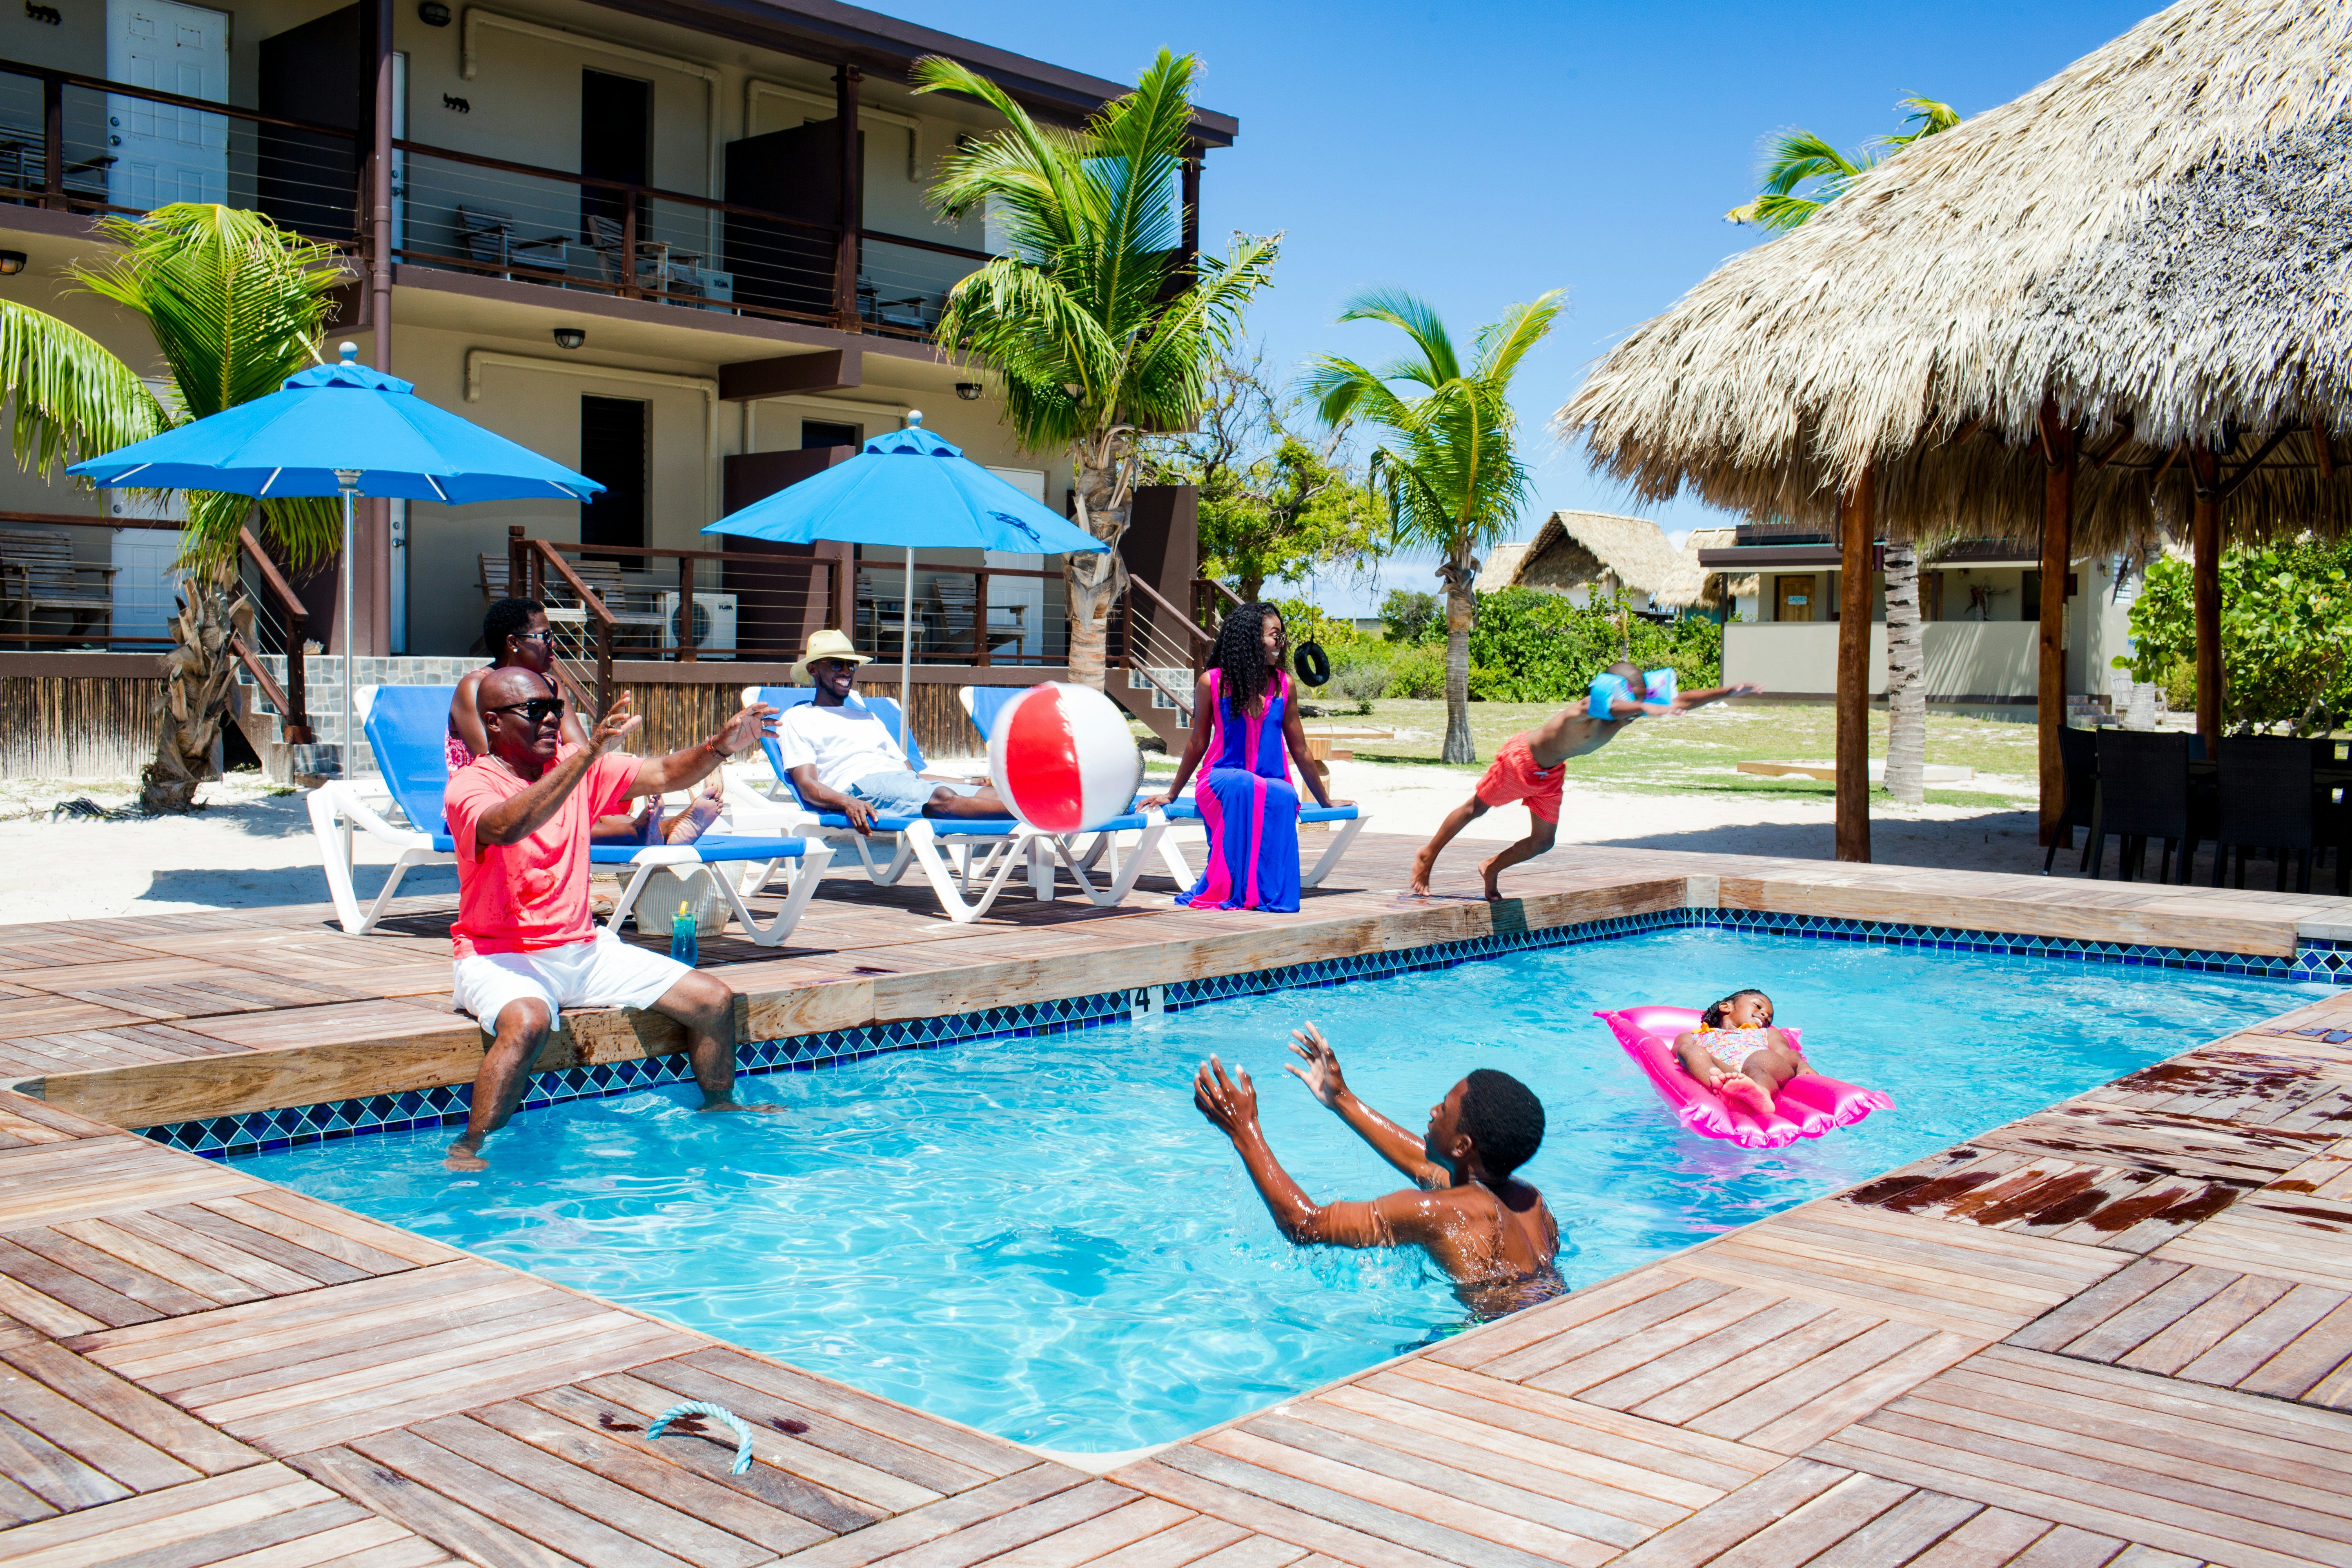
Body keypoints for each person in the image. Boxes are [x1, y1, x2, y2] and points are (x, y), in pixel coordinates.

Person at [440, 668, 780, 1170]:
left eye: (555, 707)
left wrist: (720, 746)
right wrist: (583, 762)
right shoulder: (471, 784)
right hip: (498, 956)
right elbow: (508, 826)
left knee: (713, 1000)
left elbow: (664, 772)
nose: (553, 719)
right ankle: (471, 1144)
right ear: (493, 723)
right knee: (529, 1022)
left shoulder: (577, 764)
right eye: (536, 711)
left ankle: (720, 1104)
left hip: (584, 948)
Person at [1191, 1023, 1557, 1310]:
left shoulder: (1446, 1212)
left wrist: (1245, 1131)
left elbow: (1305, 1226)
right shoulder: (1531, 1202)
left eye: (1444, 1109)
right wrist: (1341, 1099)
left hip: (1489, 1348)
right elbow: (1425, 1165)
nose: (1433, 1111)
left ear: (1463, 1146)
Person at [1410, 661, 1764, 900]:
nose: (1638, 709)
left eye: (1642, 702)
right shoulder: (1584, 710)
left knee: (1542, 842)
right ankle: (1427, 856)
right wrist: (1646, 709)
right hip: (1522, 761)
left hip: (1552, 774)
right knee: (1476, 809)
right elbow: (1611, 708)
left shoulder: (1629, 712)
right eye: (1633, 703)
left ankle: (1491, 867)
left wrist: (1728, 691)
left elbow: (1681, 699)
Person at [450, 598, 715, 844]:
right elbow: (490, 761)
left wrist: (602, 741)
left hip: (548, 782)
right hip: (495, 803)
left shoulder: (551, 684)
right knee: (558, 808)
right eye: (545, 637)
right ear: (513, 642)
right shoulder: (475, 686)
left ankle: (653, 828)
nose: (553, 644)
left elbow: (581, 753)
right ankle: (646, 831)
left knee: (587, 794)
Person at [1142, 603, 1350, 913]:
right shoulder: (1211, 682)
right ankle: (1230, 891)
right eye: (1274, 635)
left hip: (1268, 780)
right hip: (1220, 779)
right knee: (1245, 785)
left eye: (1282, 635)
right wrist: (1173, 793)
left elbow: (1301, 749)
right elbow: (1198, 742)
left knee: (1283, 794)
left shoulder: (1284, 685)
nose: (1281, 643)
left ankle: (1267, 894)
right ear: (1252, 638)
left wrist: (1324, 801)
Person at [774, 629, 1011, 833]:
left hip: (900, 783)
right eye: (837, 664)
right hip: (861, 787)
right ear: (814, 669)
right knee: (944, 799)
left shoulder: (868, 717)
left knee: (994, 794)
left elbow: (912, 776)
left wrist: (971, 783)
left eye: (852, 665)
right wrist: (847, 802)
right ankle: (1042, 813)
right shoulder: (798, 718)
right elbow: (807, 785)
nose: (847, 672)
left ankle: (1042, 808)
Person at [1673, 988, 1813, 1116]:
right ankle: (1723, 1088)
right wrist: (1690, 1057)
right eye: (1758, 1006)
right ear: (1726, 1007)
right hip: (1726, 1072)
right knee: (1689, 1050)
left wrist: (1801, 1064)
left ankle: (1760, 1093)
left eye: (1769, 1019)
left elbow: (1783, 1051)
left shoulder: (1766, 1033)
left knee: (1760, 1059)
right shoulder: (1695, 1036)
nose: (1765, 1016)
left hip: (1763, 1069)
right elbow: (1680, 1051)